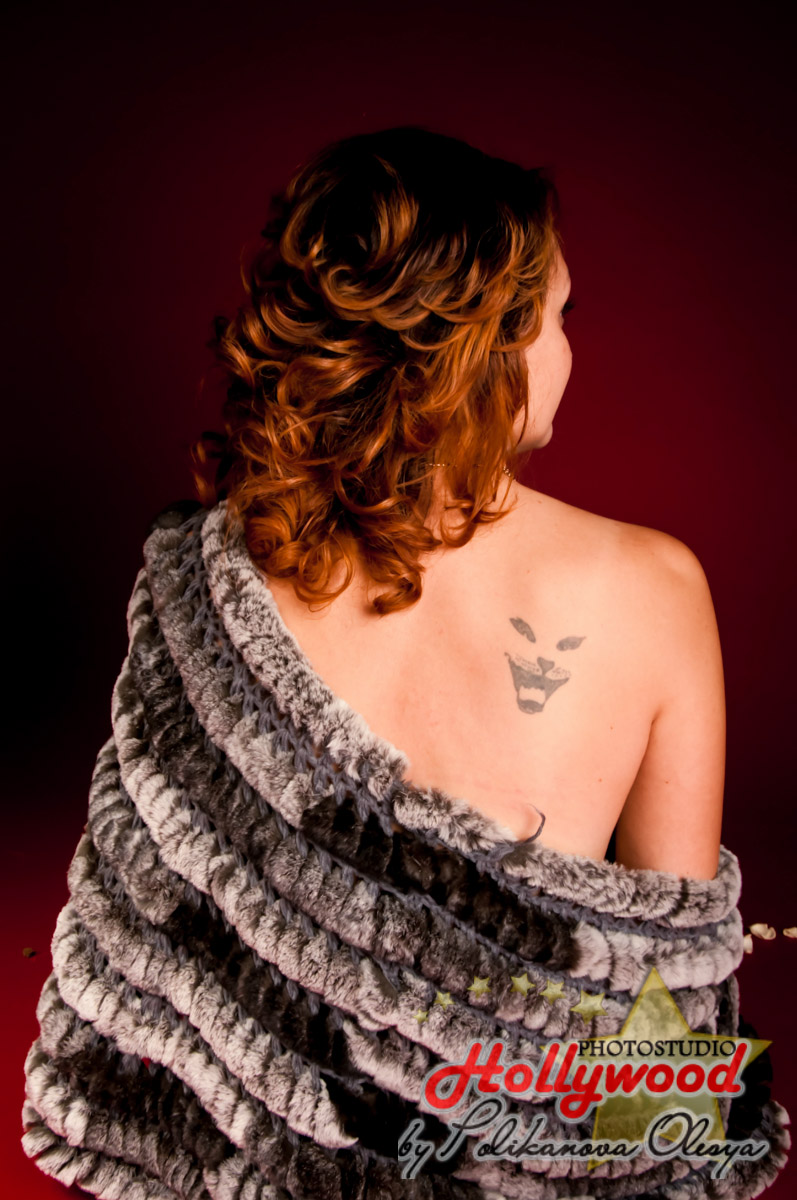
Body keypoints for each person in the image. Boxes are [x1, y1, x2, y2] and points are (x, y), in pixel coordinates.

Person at [21, 124, 788, 1200]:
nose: (570, 351)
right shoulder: (654, 589)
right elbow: (665, 1018)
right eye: (559, 316)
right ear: (487, 345)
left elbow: (147, 973)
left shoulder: (215, 572)